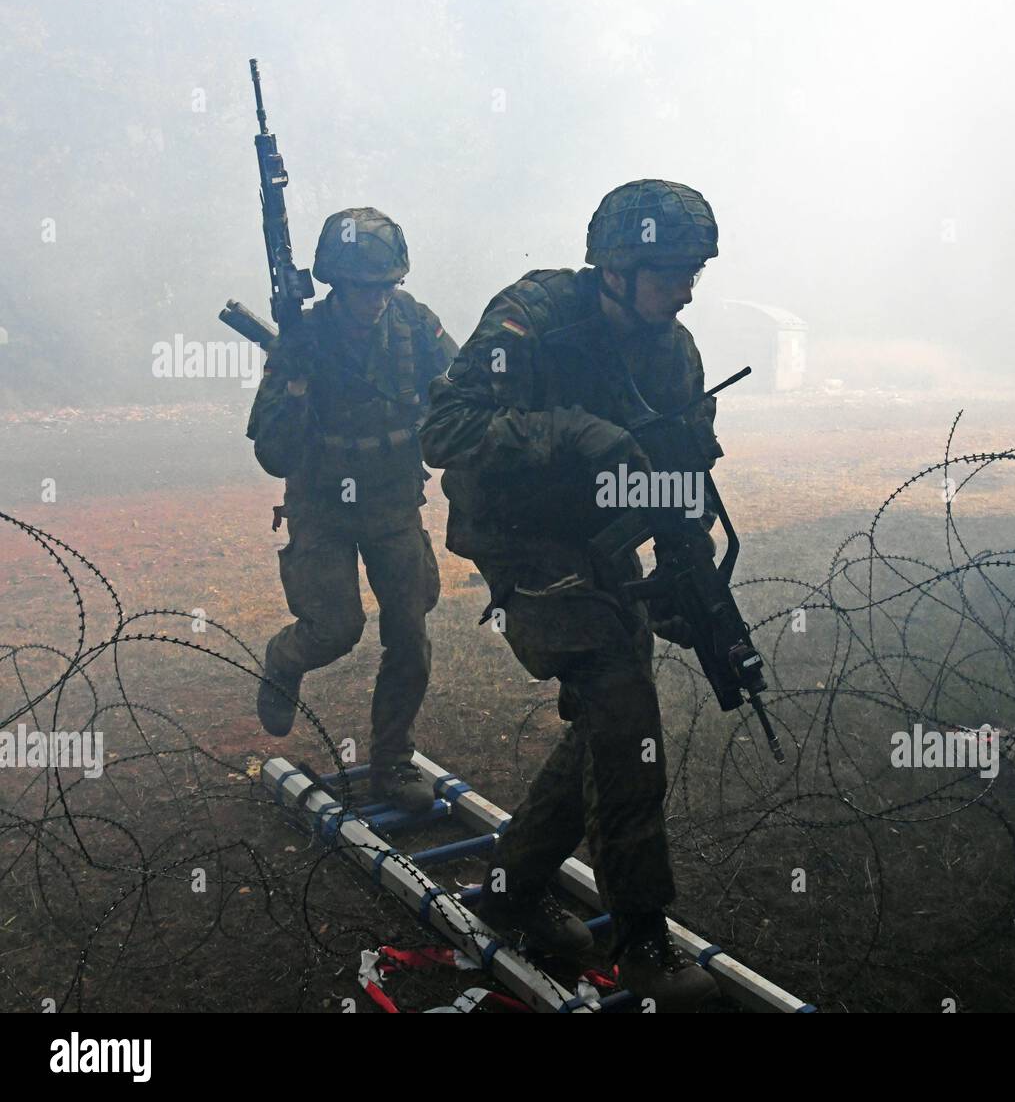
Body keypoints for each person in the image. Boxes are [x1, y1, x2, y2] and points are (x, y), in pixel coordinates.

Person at [419, 179, 724, 1009]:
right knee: (626, 710)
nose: (687, 288)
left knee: (609, 714)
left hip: (605, 542)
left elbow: (685, 469)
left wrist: (686, 573)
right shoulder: (534, 316)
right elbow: (443, 430)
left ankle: (514, 887)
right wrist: (569, 431)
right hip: (522, 539)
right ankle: (643, 940)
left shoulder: (674, 349)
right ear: (617, 266)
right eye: (670, 271)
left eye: (696, 271)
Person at [247, 207, 457, 813]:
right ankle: (284, 659)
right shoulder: (303, 339)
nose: (376, 299)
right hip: (323, 505)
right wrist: (294, 384)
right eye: (363, 288)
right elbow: (274, 453)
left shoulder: (416, 324)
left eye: (385, 286)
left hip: (392, 501)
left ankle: (391, 762)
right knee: (336, 630)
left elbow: (462, 387)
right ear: (336, 285)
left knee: (411, 635)